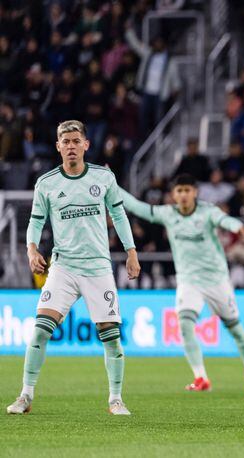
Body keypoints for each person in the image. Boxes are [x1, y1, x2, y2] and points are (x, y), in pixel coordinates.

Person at [7, 120, 141, 416]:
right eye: (65, 141)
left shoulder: (104, 177)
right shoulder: (47, 183)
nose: (70, 146)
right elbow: (36, 222)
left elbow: (119, 217)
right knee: (40, 330)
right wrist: (31, 249)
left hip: (98, 268)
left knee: (111, 335)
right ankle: (25, 396)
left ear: (85, 145)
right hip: (63, 267)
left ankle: (116, 399)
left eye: (75, 141)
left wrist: (131, 252)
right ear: (58, 146)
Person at [118, 174, 244, 393]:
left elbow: (224, 220)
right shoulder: (167, 214)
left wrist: (237, 227)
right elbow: (137, 207)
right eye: (179, 190)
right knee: (185, 325)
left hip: (216, 280)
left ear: (195, 192)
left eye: (187, 190)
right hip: (188, 281)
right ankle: (201, 378)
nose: (184, 195)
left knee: (235, 329)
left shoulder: (208, 212)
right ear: (173, 194)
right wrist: (113, 186)